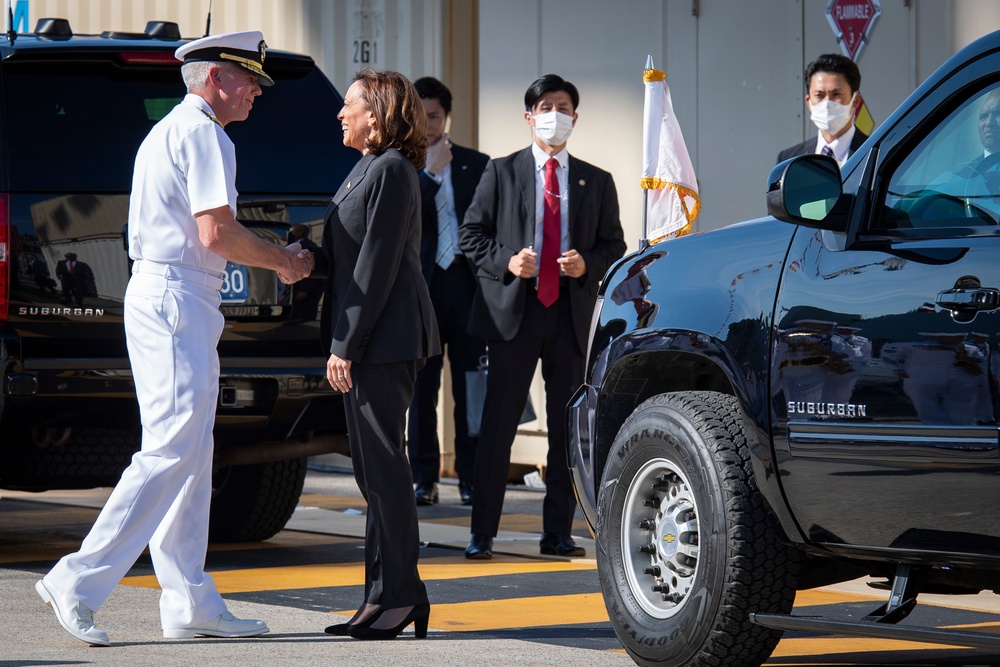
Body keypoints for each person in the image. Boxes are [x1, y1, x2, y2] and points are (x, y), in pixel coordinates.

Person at [35, 31, 313, 647]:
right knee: (169, 451)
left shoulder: (174, 130)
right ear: (216, 79)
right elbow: (217, 233)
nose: (258, 93)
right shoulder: (205, 134)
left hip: (175, 296)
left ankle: (189, 599)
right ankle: (76, 580)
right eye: (250, 81)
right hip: (178, 296)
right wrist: (283, 262)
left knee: (191, 451)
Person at [459, 74, 626, 560]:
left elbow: (613, 244)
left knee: (566, 428)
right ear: (529, 115)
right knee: (498, 426)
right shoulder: (502, 171)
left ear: (576, 116)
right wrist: (508, 260)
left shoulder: (595, 180)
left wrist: (587, 264)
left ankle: (557, 532)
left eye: (565, 106)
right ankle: (481, 533)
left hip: (569, 314)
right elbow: (471, 234)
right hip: (515, 312)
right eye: (546, 106)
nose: (556, 115)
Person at [312, 68, 438, 640]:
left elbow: (377, 265)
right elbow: (348, 251)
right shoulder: (367, 166)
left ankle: (403, 596)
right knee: (371, 474)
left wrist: (345, 346)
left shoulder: (392, 170)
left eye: (350, 105)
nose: (341, 113)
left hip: (383, 343)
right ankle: (377, 597)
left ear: (378, 113)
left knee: (386, 471)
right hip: (370, 341)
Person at [407, 76, 489, 507]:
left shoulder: (478, 165)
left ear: (447, 116)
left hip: (466, 286)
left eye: (434, 116)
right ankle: (424, 477)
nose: (428, 126)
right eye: (420, 117)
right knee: (421, 387)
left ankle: (471, 477)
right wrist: (430, 174)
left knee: (472, 386)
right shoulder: (402, 166)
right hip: (422, 288)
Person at [777, 53, 867, 166]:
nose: (827, 104)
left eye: (836, 94)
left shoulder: (875, 153)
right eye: (819, 95)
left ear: (856, 101)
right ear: (808, 102)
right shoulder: (789, 159)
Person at [285, 223, 324, 321]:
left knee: (304, 313)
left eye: (293, 231)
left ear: (300, 233)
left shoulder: (306, 246)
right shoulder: (299, 244)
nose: (291, 233)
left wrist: (304, 290)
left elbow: (311, 269)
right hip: (299, 287)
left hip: (306, 289)